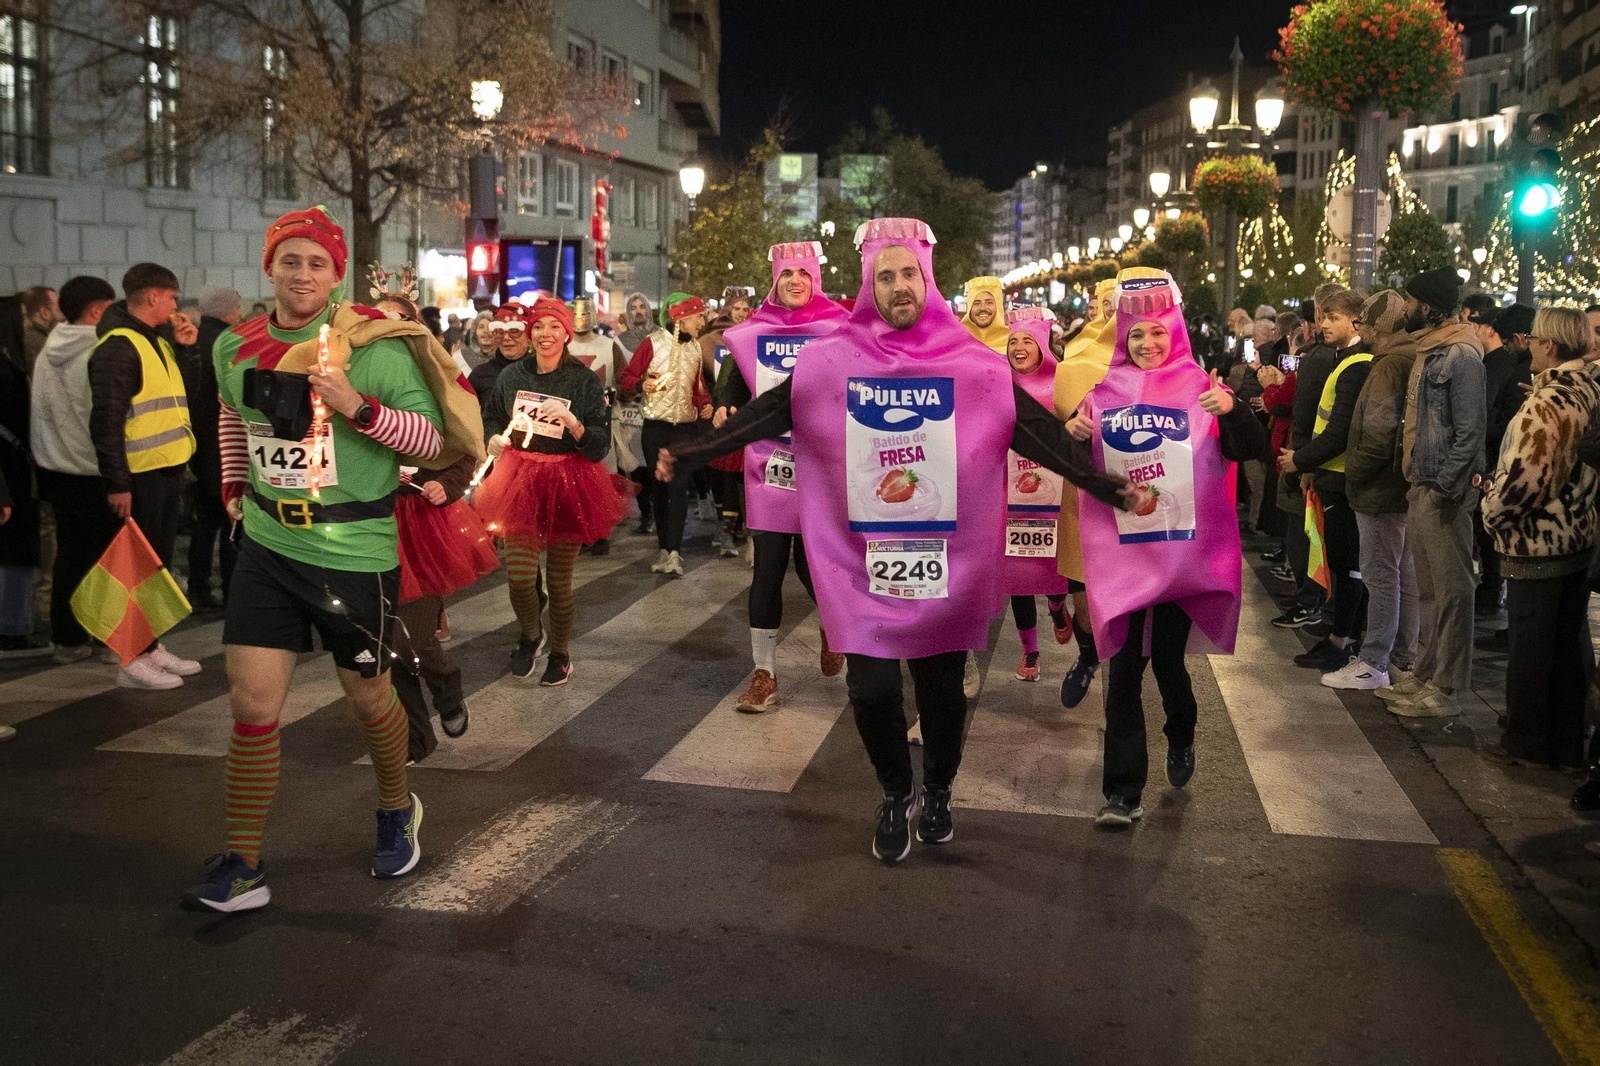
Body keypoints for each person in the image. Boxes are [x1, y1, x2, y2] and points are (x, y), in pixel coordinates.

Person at [658, 218, 1141, 863]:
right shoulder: (830, 362)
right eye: (884, 276)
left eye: (908, 273)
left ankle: (937, 787)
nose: (898, 286)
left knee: (941, 693)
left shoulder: (973, 367)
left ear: (927, 279)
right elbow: (767, 415)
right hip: (863, 564)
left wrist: (1107, 488)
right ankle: (894, 791)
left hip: (944, 562)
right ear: (868, 285)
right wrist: (690, 453)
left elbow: (1039, 435)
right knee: (873, 691)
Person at [188, 206, 476, 912]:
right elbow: (234, 412)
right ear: (270, 268)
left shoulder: (376, 346)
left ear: (336, 272)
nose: (303, 273)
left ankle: (394, 806)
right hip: (266, 544)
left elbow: (430, 439)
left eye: (317, 262)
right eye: (290, 260)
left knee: (368, 698)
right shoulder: (237, 346)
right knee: (252, 707)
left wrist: (356, 405)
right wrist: (232, 482)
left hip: (353, 548)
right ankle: (245, 863)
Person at [1070, 271, 1267, 829]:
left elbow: (1250, 450)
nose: (1147, 345)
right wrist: (1073, 434)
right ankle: (1122, 793)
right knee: (1125, 669)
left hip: (1182, 560)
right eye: (1136, 336)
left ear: (1174, 331)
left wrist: (1235, 411)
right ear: (1122, 338)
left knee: (1171, 667)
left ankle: (1181, 733)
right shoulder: (1102, 393)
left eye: (1156, 333)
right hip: (1125, 559)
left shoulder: (1201, 385)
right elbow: (1077, 467)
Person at [714, 241, 850, 712]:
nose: (795, 281)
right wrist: (722, 405)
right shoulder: (753, 331)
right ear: (775, 280)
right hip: (769, 465)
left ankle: (836, 629)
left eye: (804, 274)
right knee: (767, 571)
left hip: (825, 466)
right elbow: (731, 380)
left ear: (816, 279)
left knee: (819, 568)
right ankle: (764, 672)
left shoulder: (840, 327)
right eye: (787, 273)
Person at [475, 296, 631, 684]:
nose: (546, 334)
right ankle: (532, 634)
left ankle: (560, 652)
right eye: (539, 327)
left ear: (566, 334)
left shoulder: (583, 380)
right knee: (519, 577)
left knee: (560, 584)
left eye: (554, 327)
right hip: (519, 482)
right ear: (530, 333)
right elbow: (492, 413)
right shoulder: (513, 376)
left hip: (569, 483)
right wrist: (492, 438)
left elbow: (599, 445)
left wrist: (575, 425)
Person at [375, 292, 497, 760]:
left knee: (418, 639)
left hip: (424, 525)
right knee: (385, 641)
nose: (386, 329)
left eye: (398, 321)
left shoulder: (439, 379)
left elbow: (467, 449)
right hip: (370, 521)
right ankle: (414, 736)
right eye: (376, 320)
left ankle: (446, 685)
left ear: (416, 328)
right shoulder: (352, 376)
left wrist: (447, 484)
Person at [1481, 307, 1599, 768]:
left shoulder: (1546, 403)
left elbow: (1525, 479)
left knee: (1530, 646)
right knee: (1566, 645)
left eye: (1532, 338)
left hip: (1539, 540)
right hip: (1580, 534)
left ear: (1549, 346)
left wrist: (1491, 512)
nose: (1527, 344)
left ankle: (1526, 739)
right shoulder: (1588, 389)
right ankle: (1566, 742)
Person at [87, 263, 204, 689]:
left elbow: (179, 397)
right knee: (134, 568)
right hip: (140, 476)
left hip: (165, 469)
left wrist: (188, 350)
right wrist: (117, 482)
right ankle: (130, 658)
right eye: (172, 296)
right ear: (153, 296)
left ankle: (150, 646)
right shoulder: (120, 346)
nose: (176, 305)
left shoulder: (154, 341)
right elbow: (107, 420)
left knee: (154, 566)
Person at [1381, 267, 1485, 716]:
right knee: (1427, 592)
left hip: (1443, 491)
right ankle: (1424, 675)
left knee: (1452, 593)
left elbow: (1471, 432)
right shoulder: (1430, 349)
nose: (1404, 308)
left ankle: (1446, 690)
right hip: (1421, 485)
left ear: (1428, 305)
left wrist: (1444, 487)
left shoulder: (1461, 355)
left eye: (1410, 299)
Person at [1327, 290, 1418, 691]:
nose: (1358, 326)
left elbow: (1378, 433)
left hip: (1379, 488)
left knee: (1381, 576)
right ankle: (1401, 659)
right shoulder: (1405, 358)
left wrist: (1355, 475)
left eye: (1363, 320)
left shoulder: (1387, 366)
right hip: (1398, 486)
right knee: (1402, 575)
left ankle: (1374, 662)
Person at [1279, 288, 1371, 675]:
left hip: (1343, 478)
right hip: (1330, 475)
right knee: (1342, 563)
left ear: (1356, 321)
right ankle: (1343, 635)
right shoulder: (1343, 360)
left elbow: (1339, 432)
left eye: (1332, 317)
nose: (1323, 324)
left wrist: (1298, 461)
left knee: (1349, 566)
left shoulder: (1355, 364)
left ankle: (1344, 641)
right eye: (1322, 316)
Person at [30, 276, 121, 662]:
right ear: (97, 310)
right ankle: (108, 640)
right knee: (108, 560)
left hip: (55, 469)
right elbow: (102, 416)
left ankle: (67, 640)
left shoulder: (49, 347)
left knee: (69, 556)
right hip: (94, 471)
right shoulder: (98, 352)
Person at [1052, 275, 1120, 707]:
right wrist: (1068, 426)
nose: (1114, 312)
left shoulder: (1159, 355)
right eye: (1107, 304)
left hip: (1139, 495)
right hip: (1084, 494)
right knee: (1081, 590)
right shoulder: (1076, 355)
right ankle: (1088, 655)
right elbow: (1058, 417)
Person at [619, 293, 712, 576]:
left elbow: (698, 389)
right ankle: (663, 547)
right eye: (698, 316)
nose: (702, 322)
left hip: (685, 428)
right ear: (682, 318)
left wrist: (705, 404)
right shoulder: (652, 343)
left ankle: (674, 552)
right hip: (655, 427)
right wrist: (640, 385)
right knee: (659, 487)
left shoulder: (696, 348)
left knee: (679, 486)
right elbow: (626, 378)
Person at [1002, 306, 1071, 682]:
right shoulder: (997, 380)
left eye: (1027, 340)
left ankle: (1058, 605)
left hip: (1056, 494)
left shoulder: (1062, 380)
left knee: (1052, 570)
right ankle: (1030, 651)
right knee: (1019, 576)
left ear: (1043, 344)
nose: (1019, 347)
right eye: (1013, 341)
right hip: (1011, 493)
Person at [1270, 284, 1344, 629]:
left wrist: (1298, 461)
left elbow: (1304, 410)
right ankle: (1316, 601)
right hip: (1324, 461)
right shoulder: (1334, 356)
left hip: (1309, 461)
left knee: (1303, 537)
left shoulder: (1317, 358)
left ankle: (1309, 601)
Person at [183, 287, 244, 611]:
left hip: (197, 445)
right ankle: (234, 590)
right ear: (231, 310)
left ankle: (198, 585)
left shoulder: (191, 338)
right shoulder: (230, 343)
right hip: (225, 445)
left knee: (204, 525)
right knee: (232, 520)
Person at [568, 297, 631, 557]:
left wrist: (627, 391)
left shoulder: (609, 345)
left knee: (603, 476)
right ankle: (581, 531)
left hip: (602, 417)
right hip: (570, 419)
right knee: (574, 478)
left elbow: (623, 378)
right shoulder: (564, 345)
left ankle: (602, 531)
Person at [0, 295, 43, 658]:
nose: (28, 324)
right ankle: (14, 625)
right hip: (10, 474)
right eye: (24, 318)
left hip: (11, 472)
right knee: (15, 549)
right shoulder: (5, 369)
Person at [697, 294, 749, 558]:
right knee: (730, 478)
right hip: (731, 422)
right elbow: (723, 387)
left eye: (745, 309)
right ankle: (728, 530)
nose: (741, 312)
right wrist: (721, 407)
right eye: (736, 308)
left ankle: (742, 532)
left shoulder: (756, 350)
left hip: (756, 425)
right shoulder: (722, 349)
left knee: (746, 482)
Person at [466, 302, 529, 406]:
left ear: (528, 335)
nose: (506, 338)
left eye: (514, 331)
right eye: (500, 331)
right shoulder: (480, 374)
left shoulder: (540, 372)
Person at [960, 276, 1009, 353]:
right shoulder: (957, 341)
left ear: (998, 306)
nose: (983, 308)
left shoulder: (1013, 343)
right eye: (976, 303)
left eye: (989, 302)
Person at [21, 284, 62, 372]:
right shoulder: (41, 344)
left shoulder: (27, 337)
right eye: (58, 308)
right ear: (44, 313)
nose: (63, 314)